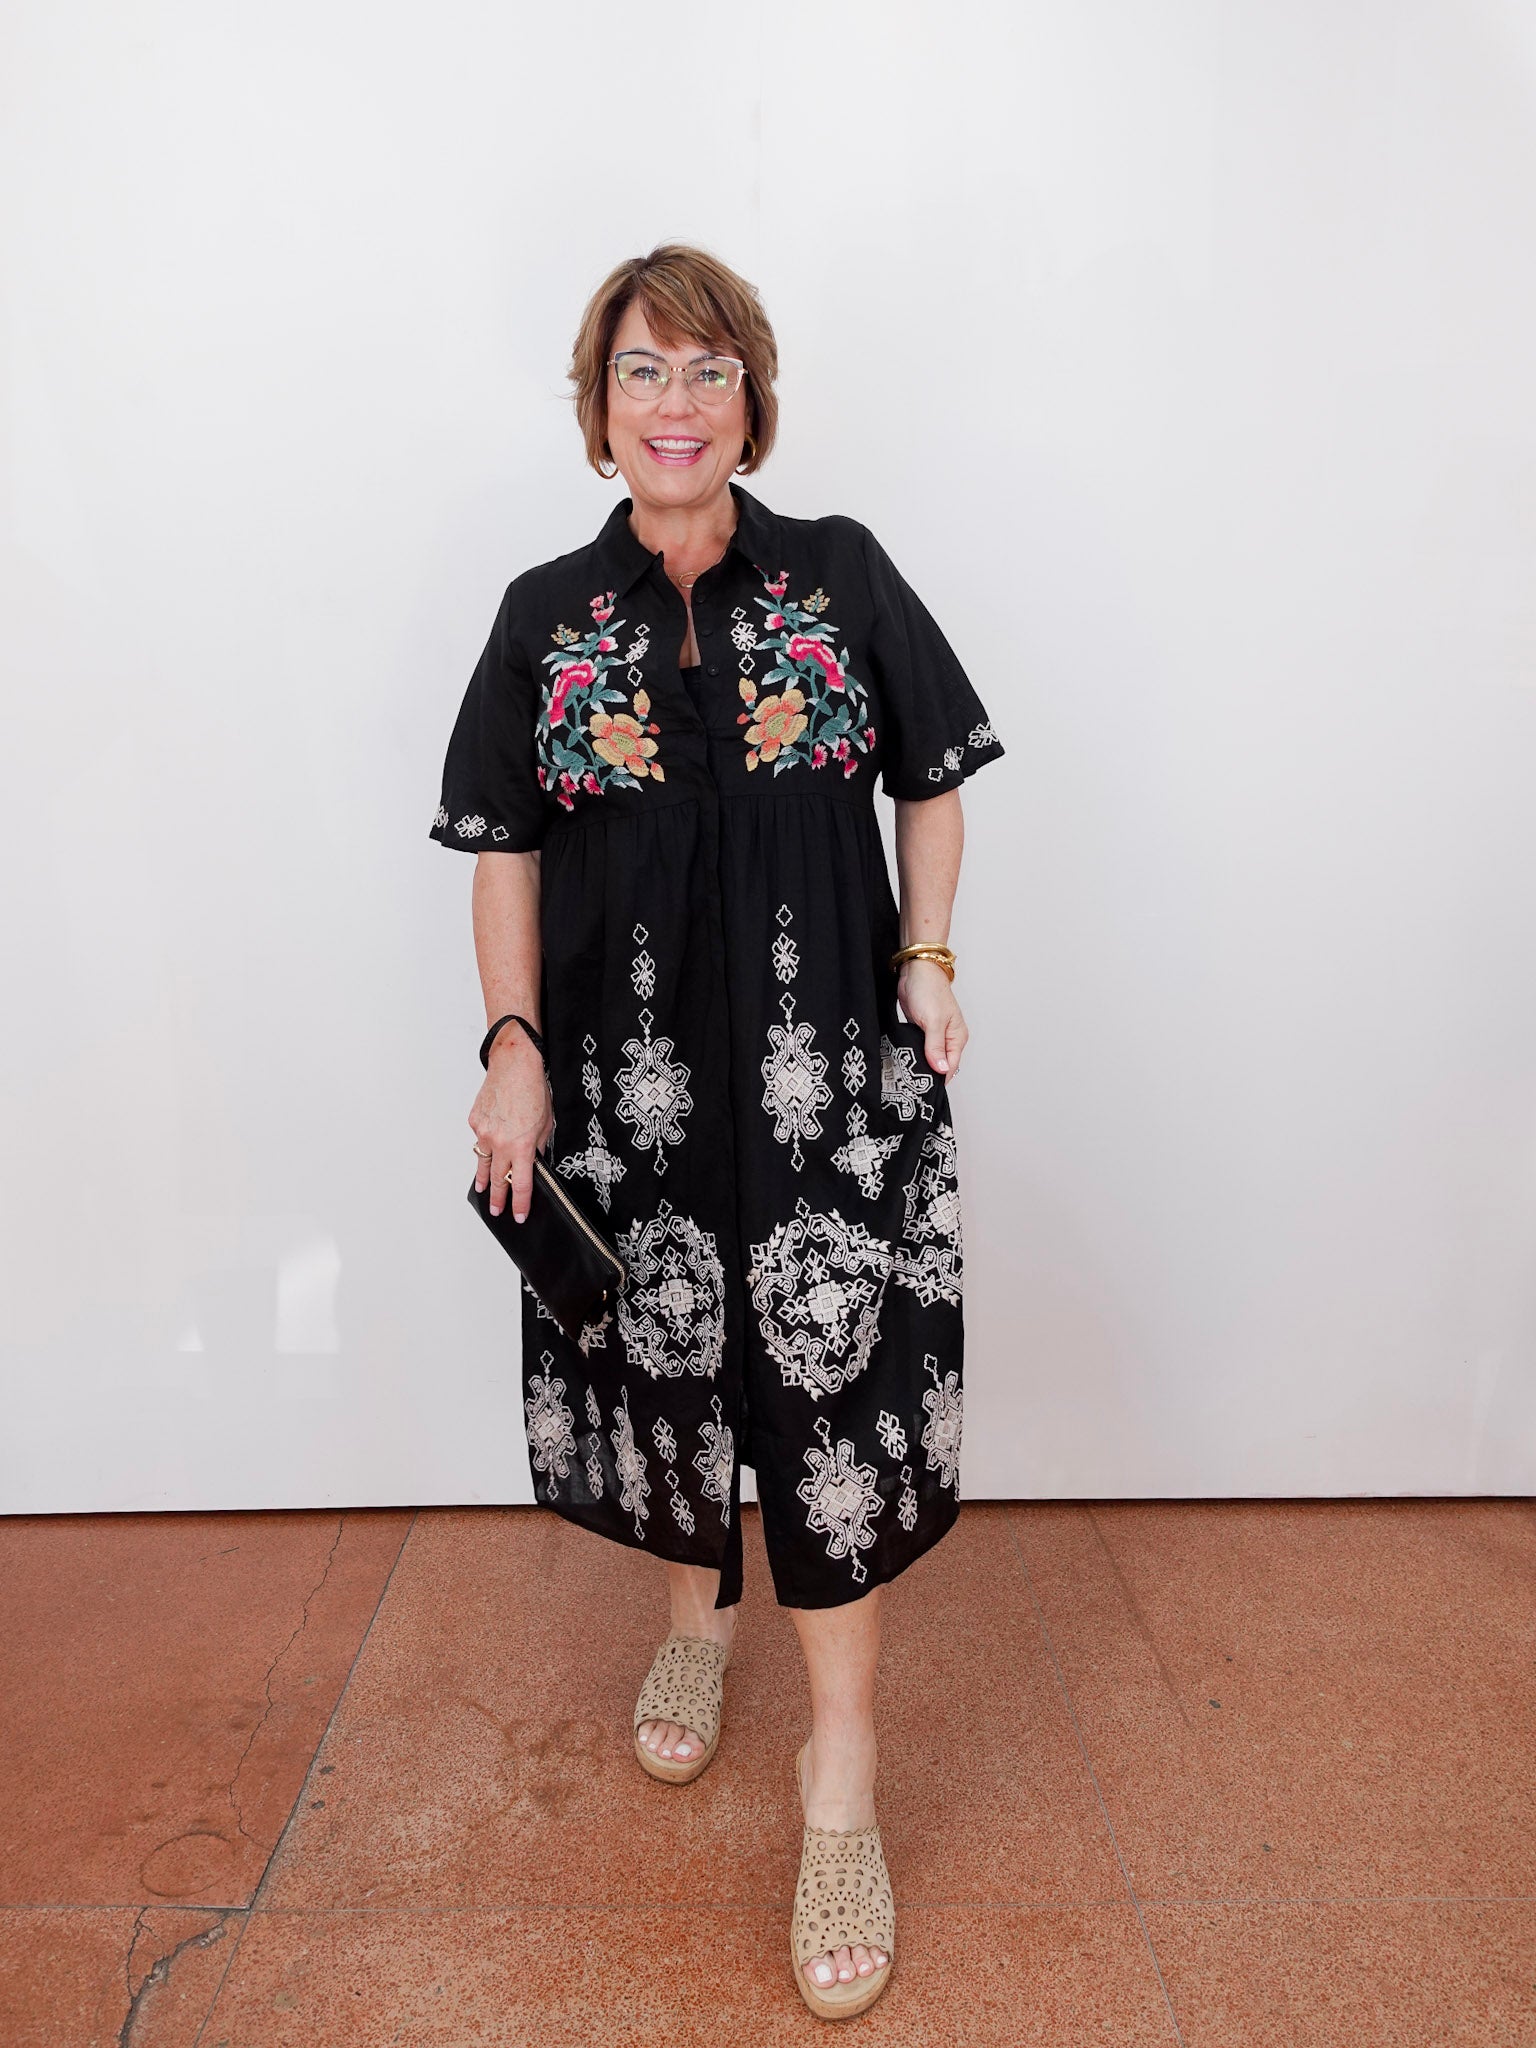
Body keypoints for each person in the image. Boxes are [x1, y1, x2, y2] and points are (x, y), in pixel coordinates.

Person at [428, 242, 1005, 2020]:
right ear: (597, 418)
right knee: (673, 1369)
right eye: (639, 375)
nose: (674, 405)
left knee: (830, 1401)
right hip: (633, 1085)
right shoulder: (544, 613)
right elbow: (504, 838)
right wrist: (512, 1043)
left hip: (830, 1076)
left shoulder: (839, 580)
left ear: (751, 397)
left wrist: (926, 954)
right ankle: (696, 1623)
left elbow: (931, 779)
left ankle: (842, 1777)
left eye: (705, 371)